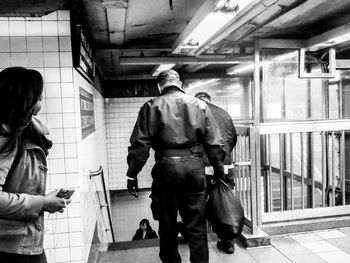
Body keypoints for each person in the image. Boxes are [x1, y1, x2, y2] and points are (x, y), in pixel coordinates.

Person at [126, 70, 225, 263]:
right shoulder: (200, 105)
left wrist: (132, 174)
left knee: (167, 224)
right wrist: (219, 171)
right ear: (180, 83)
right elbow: (215, 143)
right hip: (194, 169)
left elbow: (140, 146)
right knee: (196, 226)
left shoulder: (150, 106)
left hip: (165, 170)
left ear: (159, 86)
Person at [0, 67, 70, 263]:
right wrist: (42, 203)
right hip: (9, 246)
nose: (40, 106)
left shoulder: (22, 132)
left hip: (21, 240)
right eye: (38, 99)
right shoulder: (6, 139)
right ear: (23, 102)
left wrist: (44, 199)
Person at [195, 91, 237, 254]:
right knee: (224, 202)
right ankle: (227, 242)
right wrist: (224, 157)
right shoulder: (224, 113)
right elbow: (232, 138)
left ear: (196, 100)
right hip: (224, 167)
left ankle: (198, 242)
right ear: (210, 100)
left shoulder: (195, 113)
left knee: (198, 203)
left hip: (202, 168)